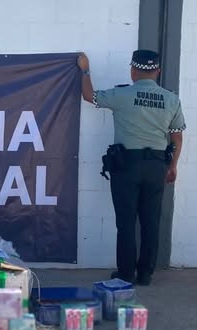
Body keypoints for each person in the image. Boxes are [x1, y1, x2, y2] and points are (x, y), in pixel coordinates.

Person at [77, 50, 185, 286]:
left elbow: (88, 96)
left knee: (126, 222)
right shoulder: (171, 99)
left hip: (127, 165)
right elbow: (176, 137)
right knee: (150, 221)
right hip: (157, 165)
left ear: (133, 71)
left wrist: (85, 70)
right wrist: (173, 166)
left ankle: (126, 273)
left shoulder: (122, 94)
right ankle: (145, 274)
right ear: (158, 71)